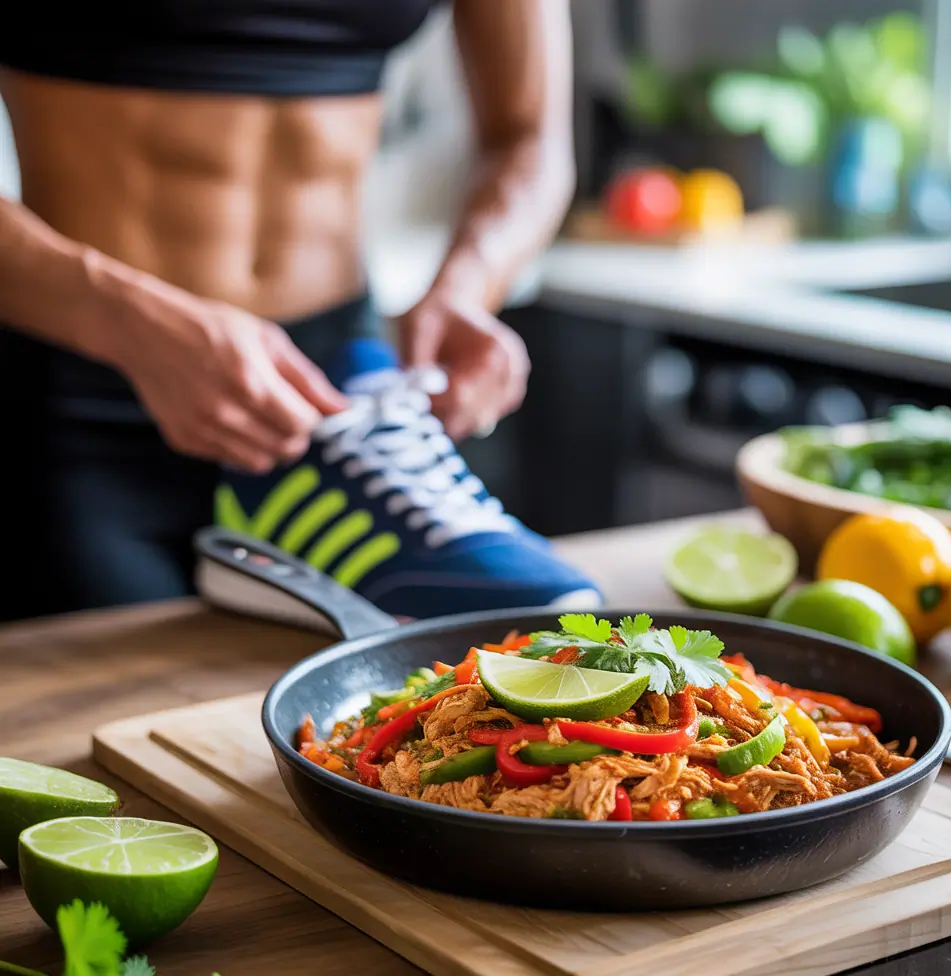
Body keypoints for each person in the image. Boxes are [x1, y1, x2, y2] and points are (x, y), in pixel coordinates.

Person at [0, 0, 602, 622]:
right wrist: (129, 323)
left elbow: (530, 137)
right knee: (91, 706)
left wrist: (469, 287)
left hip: (338, 411)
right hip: (79, 382)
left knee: (412, 691)